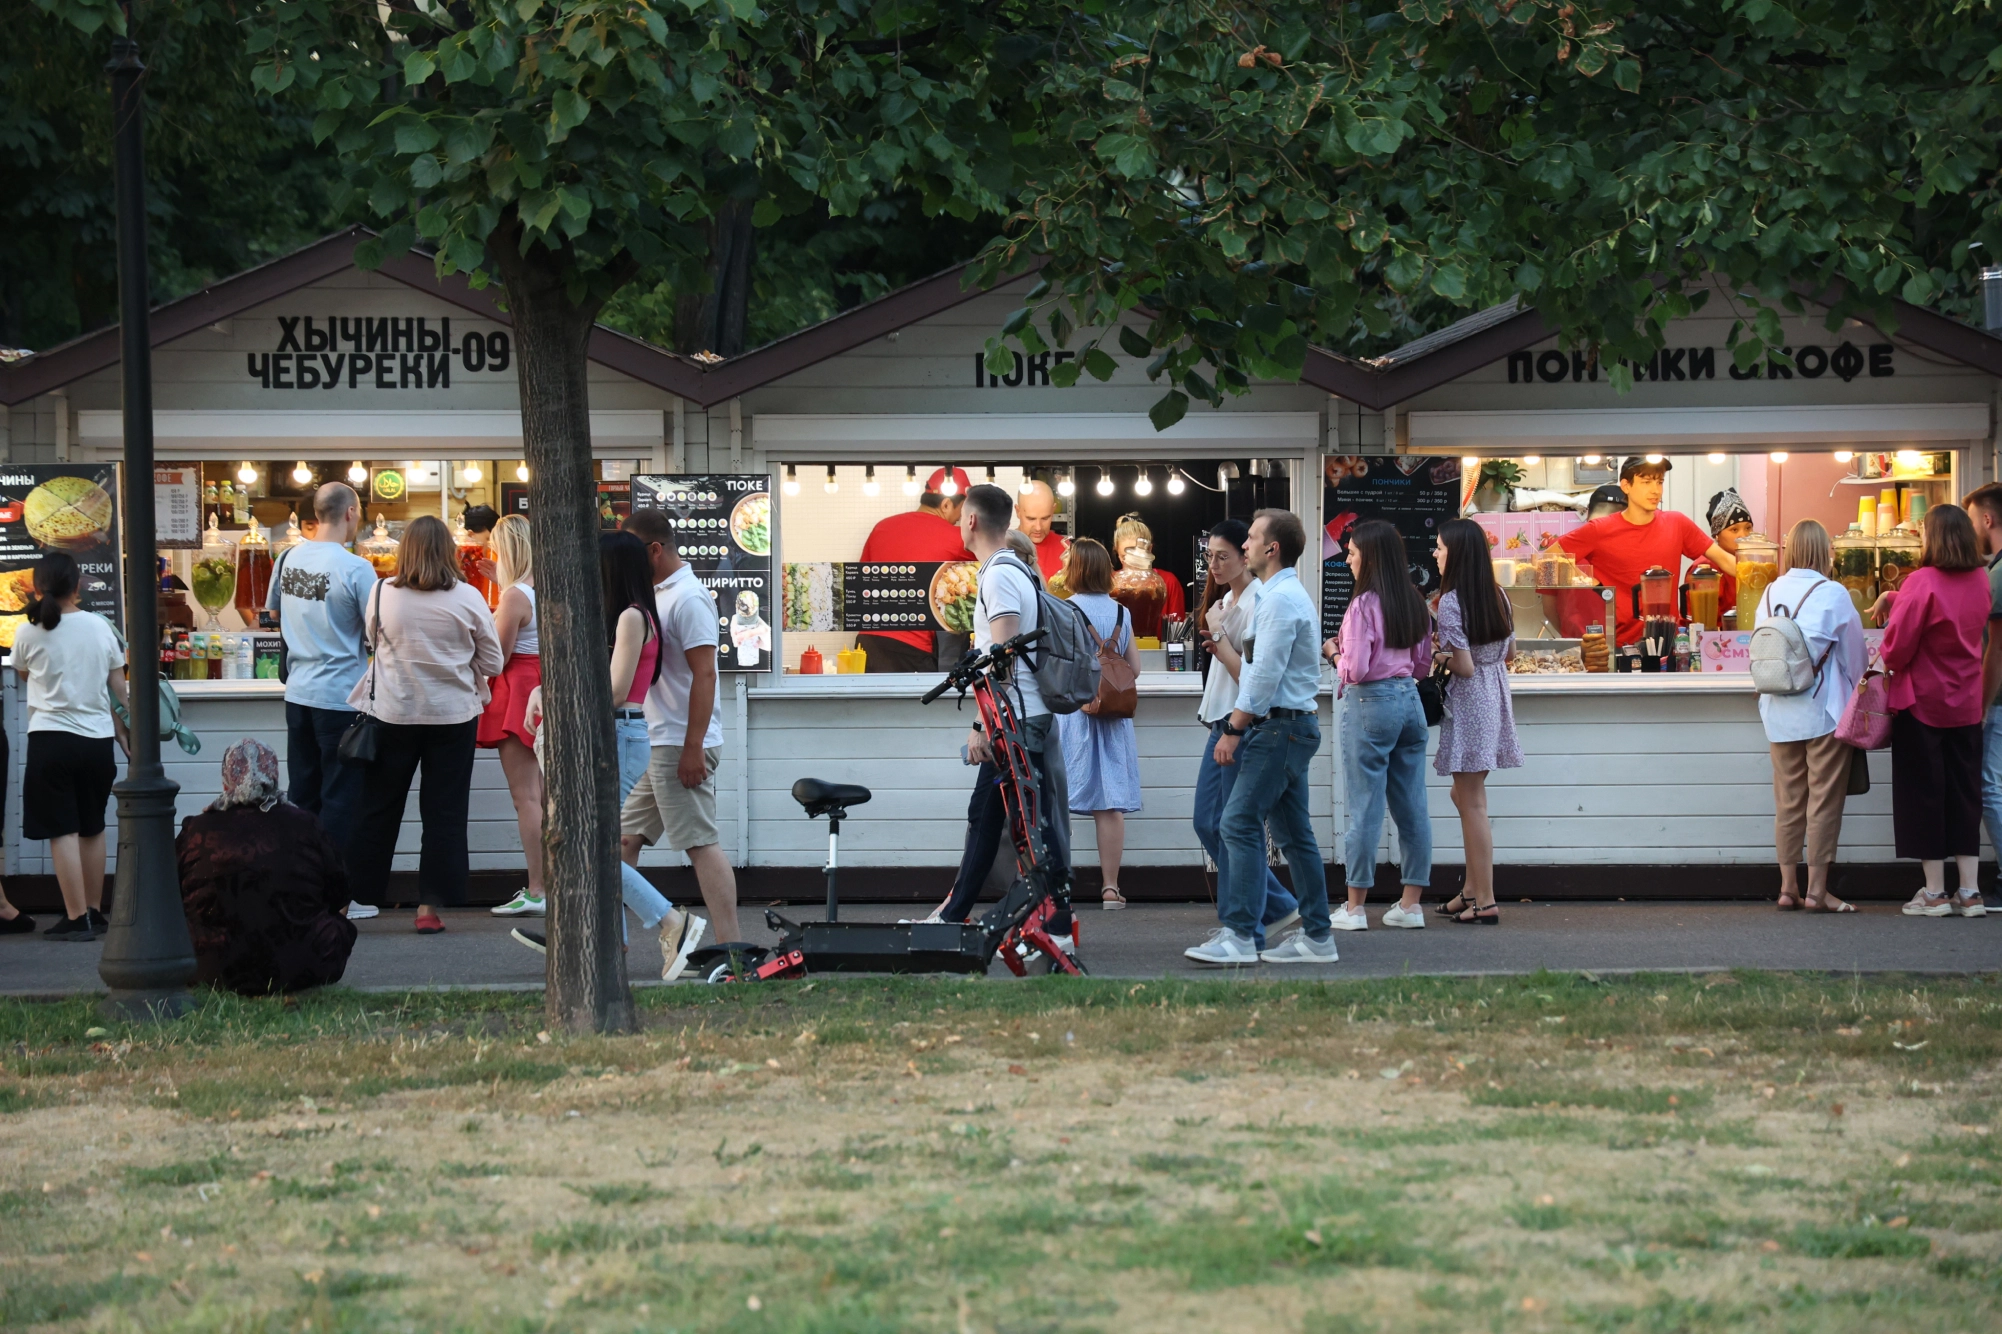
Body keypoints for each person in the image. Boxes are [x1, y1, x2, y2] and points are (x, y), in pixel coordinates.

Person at [1185, 509, 1337, 966]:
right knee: (1294, 836)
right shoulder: (1284, 595)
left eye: (1250, 539)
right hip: (1289, 726)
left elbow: (1261, 677)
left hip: (1278, 726)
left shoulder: (1276, 600)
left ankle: (1242, 935)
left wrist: (1232, 729)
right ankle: (1317, 936)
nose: (1244, 545)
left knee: (1236, 823)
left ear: (1271, 549)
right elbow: (1259, 671)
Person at [344, 515, 505, 934]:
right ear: (448, 552)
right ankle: (429, 908)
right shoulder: (468, 597)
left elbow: (371, 642)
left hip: (392, 713)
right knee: (444, 812)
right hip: (452, 716)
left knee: (378, 809)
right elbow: (493, 662)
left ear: (405, 550)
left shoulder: (382, 592)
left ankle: (355, 897)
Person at [934, 484, 1074, 940]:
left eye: (960, 518)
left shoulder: (997, 575)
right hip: (1020, 717)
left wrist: (981, 725)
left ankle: (1054, 923)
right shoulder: (1013, 569)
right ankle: (955, 915)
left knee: (1031, 824)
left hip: (1015, 720)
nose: (958, 524)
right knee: (994, 815)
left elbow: (1004, 653)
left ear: (971, 520)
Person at [618, 508, 743, 945]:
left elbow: (706, 674)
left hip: (679, 742)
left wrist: (693, 747)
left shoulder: (688, 597)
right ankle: (606, 940)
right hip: (656, 739)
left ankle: (731, 948)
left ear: (654, 550)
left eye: (632, 551)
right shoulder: (655, 593)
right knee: (622, 843)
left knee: (699, 843)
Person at [267, 482, 381, 921]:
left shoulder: (287, 557)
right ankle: (336, 899)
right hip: (341, 697)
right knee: (341, 801)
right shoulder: (356, 568)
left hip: (298, 693)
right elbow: (377, 632)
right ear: (351, 513)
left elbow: (273, 615)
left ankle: (301, 890)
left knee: (303, 796)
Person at [1191, 520, 1301, 949]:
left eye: (1223, 556)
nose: (1214, 564)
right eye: (1209, 556)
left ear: (1245, 555)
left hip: (1242, 723)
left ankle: (1246, 924)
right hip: (1221, 717)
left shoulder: (1259, 602)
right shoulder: (1226, 600)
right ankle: (1271, 906)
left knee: (1235, 826)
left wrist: (1218, 637)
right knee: (1210, 822)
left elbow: (1253, 678)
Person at [177, 738, 357, 993]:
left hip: (210, 967)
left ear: (225, 781)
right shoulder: (305, 825)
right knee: (338, 923)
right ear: (274, 778)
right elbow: (340, 892)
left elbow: (170, 894)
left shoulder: (196, 830)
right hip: (300, 966)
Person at [11, 552, 128, 941]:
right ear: (77, 586)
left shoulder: (28, 631)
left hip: (50, 740)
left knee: (62, 829)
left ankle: (75, 918)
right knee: (93, 826)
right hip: (96, 741)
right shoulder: (100, 628)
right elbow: (120, 691)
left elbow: (25, 674)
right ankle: (95, 912)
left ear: (37, 586)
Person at [1880, 504, 1990, 917]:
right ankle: (1970, 892)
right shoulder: (1981, 578)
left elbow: (1897, 648)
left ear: (1933, 537)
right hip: (1966, 701)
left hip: (1922, 703)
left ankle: (1933, 892)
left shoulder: (1920, 581)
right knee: (1965, 794)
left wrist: (1894, 607)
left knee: (1923, 794)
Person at [1324, 520, 1434, 931]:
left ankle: (1354, 909)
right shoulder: (1415, 600)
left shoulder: (1362, 605)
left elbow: (1355, 669)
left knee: (1365, 806)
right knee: (1412, 805)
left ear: (1368, 556)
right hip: (1409, 701)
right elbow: (1422, 666)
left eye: (1352, 553)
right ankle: (1410, 905)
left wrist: (1333, 652)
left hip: (1371, 703)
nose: (1348, 559)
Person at [1754, 519, 1867, 914]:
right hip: (1823, 713)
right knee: (1822, 802)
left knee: (1787, 802)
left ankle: (1787, 888)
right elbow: (1856, 658)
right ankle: (1817, 891)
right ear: (1825, 551)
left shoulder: (1769, 591)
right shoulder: (1833, 593)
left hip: (1778, 714)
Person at [1431, 518, 1522, 925]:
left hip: (1469, 702)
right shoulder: (1498, 594)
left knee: (1471, 802)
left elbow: (1463, 667)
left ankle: (1484, 899)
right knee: (1465, 796)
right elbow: (1510, 653)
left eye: (1439, 547)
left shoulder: (1450, 602)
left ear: (1456, 554)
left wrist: (1437, 655)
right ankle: (1471, 889)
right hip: (1495, 696)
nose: (1435, 554)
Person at [1557, 456, 1737, 645]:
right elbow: (1549, 559)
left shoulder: (1677, 524)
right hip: (1617, 645)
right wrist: (1590, 581)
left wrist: (1761, 576)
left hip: (1668, 643)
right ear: (1626, 486)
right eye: (1646, 482)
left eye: (1660, 482)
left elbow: (1725, 560)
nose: (1655, 490)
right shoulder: (1599, 529)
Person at [1054, 539, 1143, 910]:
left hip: (1075, 716)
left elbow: (1056, 666)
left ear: (1073, 570)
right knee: (1109, 806)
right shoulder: (1121, 612)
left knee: (1059, 800)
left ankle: (1057, 885)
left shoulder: (1063, 610)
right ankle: (1110, 888)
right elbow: (1134, 668)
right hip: (1113, 719)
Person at [481, 515, 547, 918]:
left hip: (517, 689)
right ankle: (551, 885)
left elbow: (497, 656)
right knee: (545, 795)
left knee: (526, 798)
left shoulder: (515, 596)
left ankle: (537, 889)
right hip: (541, 684)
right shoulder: (546, 588)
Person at [858, 467, 975, 672]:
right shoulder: (956, 538)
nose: (961, 518)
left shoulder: (882, 527)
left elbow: (860, 583)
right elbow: (991, 559)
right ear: (946, 504)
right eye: (962, 510)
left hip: (867, 642)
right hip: (911, 648)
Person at [1964, 482, 2002, 906]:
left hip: (1998, 701)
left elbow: (1996, 651)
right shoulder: (1989, 572)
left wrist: (1983, 707)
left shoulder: (1998, 575)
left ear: (1987, 520)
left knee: (1989, 788)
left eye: (1973, 517)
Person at [1110, 512, 1187, 620]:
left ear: (1149, 549)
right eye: (1124, 556)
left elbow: (1176, 628)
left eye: (1135, 555)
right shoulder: (1111, 583)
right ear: (1117, 553)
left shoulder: (1168, 582)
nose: (1131, 562)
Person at [1692, 488, 1754, 619]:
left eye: (1748, 528)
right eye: (1734, 529)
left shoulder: (1752, 564)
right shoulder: (1706, 568)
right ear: (1716, 535)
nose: (1743, 535)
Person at [1015, 479, 1070, 584]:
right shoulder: (1003, 548)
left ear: (1053, 510)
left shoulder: (1067, 550)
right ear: (1018, 511)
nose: (1038, 527)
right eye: (1031, 519)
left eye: (1045, 518)